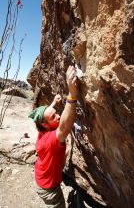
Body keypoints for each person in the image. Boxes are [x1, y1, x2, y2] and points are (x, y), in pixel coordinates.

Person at [28, 66, 78, 208]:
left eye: (56, 113)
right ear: (45, 124)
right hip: (48, 188)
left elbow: (46, 115)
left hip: (41, 176)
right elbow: (64, 127)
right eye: (53, 116)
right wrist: (72, 94)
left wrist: (54, 104)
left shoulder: (42, 129)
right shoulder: (50, 139)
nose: (58, 116)